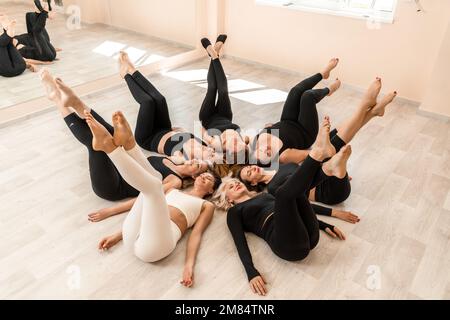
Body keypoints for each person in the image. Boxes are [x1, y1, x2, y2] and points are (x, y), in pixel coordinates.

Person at [213, 117, 350, 296]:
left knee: (288, 172)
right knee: (283, 192)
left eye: (234, 183)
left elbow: (296, 209)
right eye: (229, 187)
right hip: (288, 246)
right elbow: (240, 242)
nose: (235, 185)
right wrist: (251, 272)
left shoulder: (265, 194)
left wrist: (325, 224)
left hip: (310, 235)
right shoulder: (234, 211)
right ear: (228, 200)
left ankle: (327, 167)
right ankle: (320, 159)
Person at [85, 109, 219, 288]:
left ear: (210, 191)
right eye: (204, 175)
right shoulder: (174, 189)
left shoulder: (206, 205)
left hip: (157, 247)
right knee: (155, 182)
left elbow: (196, 235)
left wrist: (189, 265)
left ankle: (115, 148)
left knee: (154, 186)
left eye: (209, 179)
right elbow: (144, 209)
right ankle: (126, 144)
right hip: (136, 235)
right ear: (194, 179)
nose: (204, 177)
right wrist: (118, 236)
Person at [39, 69, 210, 202]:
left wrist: (109, 213)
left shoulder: (175, 182)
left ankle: (60, 100)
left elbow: (147, 199)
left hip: (114, 186)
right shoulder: (173, 159)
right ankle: (70, 102)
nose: (194, 161)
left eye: (197, 167)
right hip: (122, 164)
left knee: (97, 146)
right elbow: (182, 143)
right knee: (111, 135)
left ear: (194, 176)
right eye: (196, 160)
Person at [119, 51, 219, 164]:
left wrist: (183, 162)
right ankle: (132, 70)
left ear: (204, 162)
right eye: (214, 152)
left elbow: (168, 161)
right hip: (165, 128)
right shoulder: (203, 145)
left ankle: (126, 75)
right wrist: (179, 131)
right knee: (160, 100)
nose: (211, 150)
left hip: (148, 137)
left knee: (148, 102)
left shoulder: (186, 157)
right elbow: (185, 133)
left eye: (211, 156)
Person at [250, 58, 341, 166]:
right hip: (305, 132)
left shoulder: (255, 142)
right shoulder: (283, 157)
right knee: (308, 97)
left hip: (287, 120)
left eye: (260, 151)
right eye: (268, 154)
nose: (265, 150)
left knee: (295, 91)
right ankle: (328, 90)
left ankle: (323, 73)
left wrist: (271, 127)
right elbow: (312, 154)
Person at [235, 163, 359, 223]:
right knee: (333, 155)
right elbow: (301, 205)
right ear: (253, 183)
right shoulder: (273, 188)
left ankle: (339, 171)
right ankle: (339, 170)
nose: (252, 168)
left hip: (328, 178)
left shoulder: (281, 166)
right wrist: (335, 213)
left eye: (249, 167)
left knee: (329, 152)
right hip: (330, 193)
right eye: (249, 173)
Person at [199, 36, 249, 164]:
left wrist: (207, 137)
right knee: (223, 90)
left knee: (212, 88)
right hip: (225, 115)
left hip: (207, 117)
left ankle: (214, 54)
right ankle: (214, 54)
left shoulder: (218, 145)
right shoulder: (245, 143)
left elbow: (202, 132)